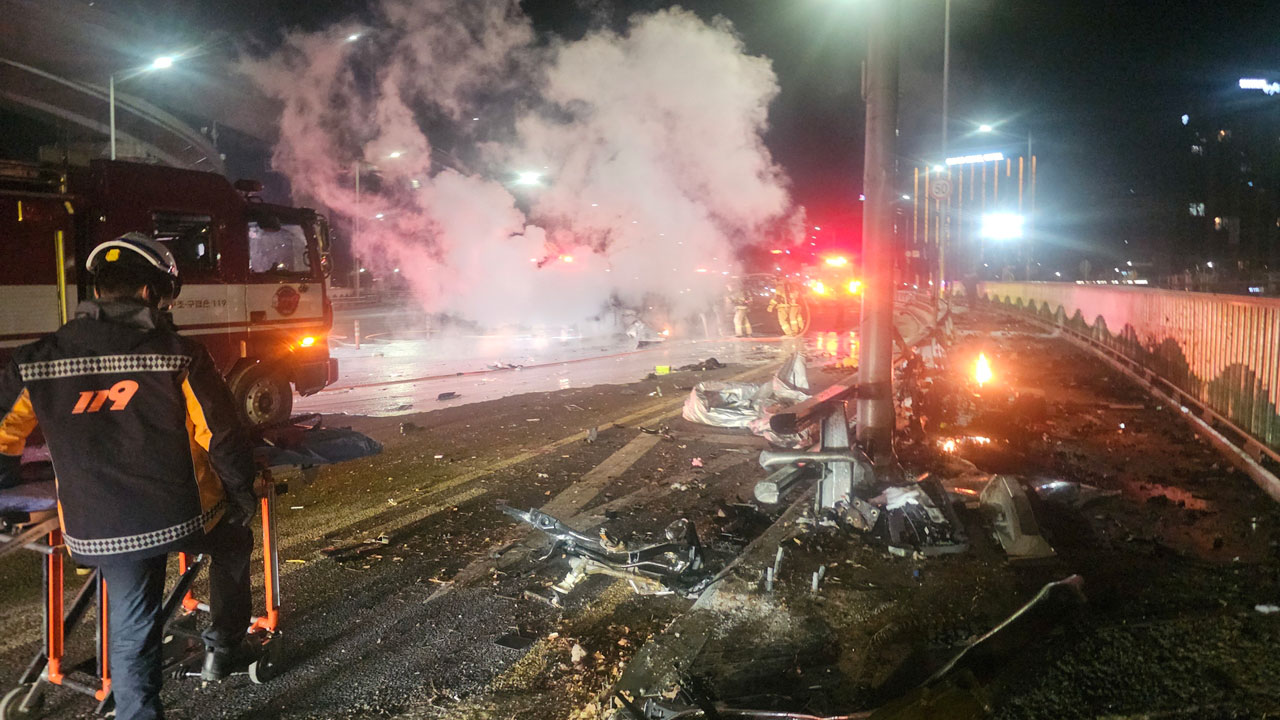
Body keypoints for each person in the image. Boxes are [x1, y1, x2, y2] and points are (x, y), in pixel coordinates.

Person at [0, 234, 259, 720]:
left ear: (98, 291)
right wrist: (242, 493)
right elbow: (221, 437)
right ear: (149, 293)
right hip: (181, 515)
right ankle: (222, 647)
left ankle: (137, 713)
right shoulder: (180, 354)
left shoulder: (35, 360)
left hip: (97, 523)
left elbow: (1, 440)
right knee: (232, 542)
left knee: (132, 623)